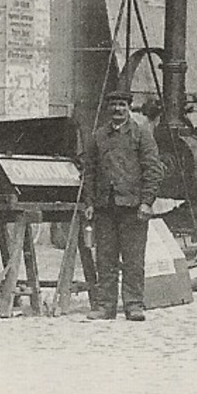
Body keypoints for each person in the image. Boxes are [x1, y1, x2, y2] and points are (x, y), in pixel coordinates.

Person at [81, 89, 165, 321]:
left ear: (129, 107)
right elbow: (89, 171)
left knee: (133, 258)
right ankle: (106, 306)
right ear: (108, 108)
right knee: (105, 258)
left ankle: (134, 304)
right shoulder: (98, 136)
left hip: (133, 207)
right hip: (105, 206)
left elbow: (153, 170)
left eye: (122, 105)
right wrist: (89, 201)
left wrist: (147, 202)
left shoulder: (141, 134)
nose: (117, 109)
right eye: (114, 105)